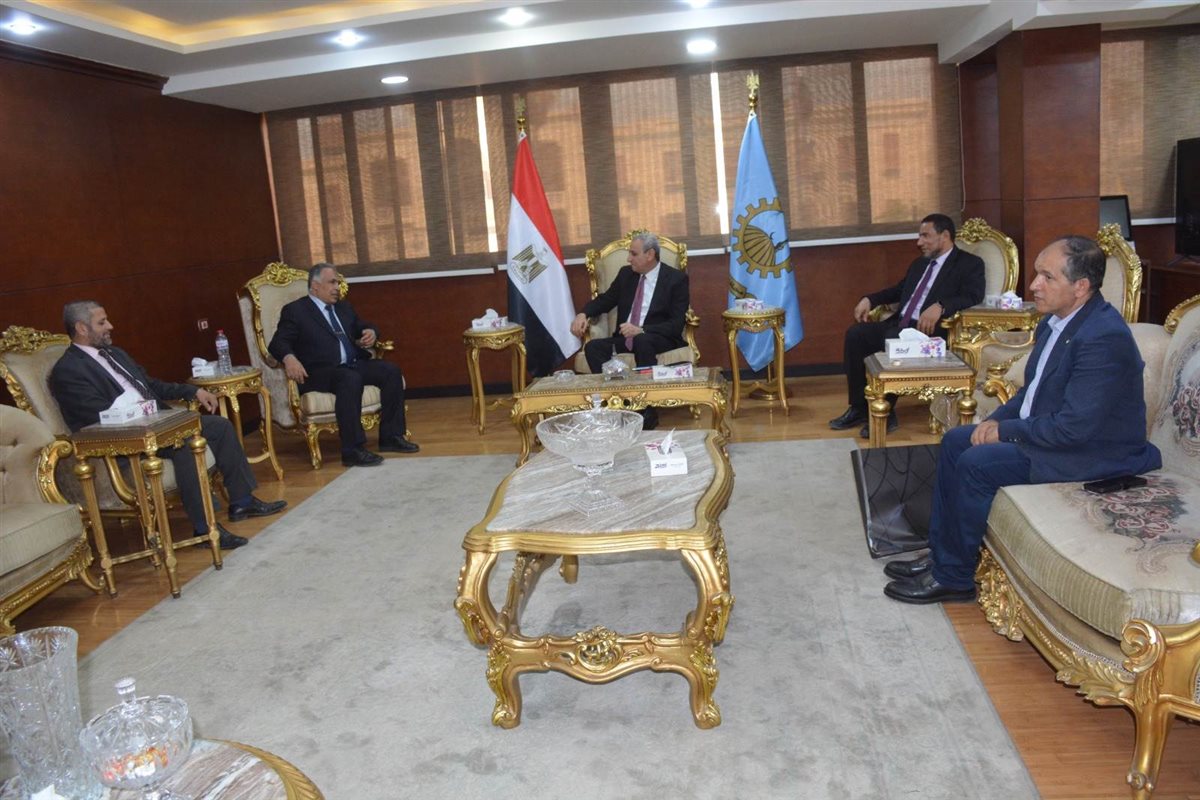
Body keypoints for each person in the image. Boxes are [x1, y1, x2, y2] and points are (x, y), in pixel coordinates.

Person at [883, 236, 1162, 604]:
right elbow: (1033, 393)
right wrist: (995, 421)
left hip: (1095, 451)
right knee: (955, 441)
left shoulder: (1103, 338)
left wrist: (1005, 431)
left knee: (977, 463)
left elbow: (1074, 428)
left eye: (1047, 277)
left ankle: (955, 577)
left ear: (1080, 287)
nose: (1033, 285)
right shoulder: (1055, 322)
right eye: (1036, 274)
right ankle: (942, 554)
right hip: (1060, 434)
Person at [49, 302, 287, 550]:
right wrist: (145, 417)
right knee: (185, 443)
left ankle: (242, 502)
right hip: (127, 440)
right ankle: (205, 529)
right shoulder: (68, 370)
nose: (110, 326)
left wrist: (192, 392)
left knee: (220, 427)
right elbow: (96, 415)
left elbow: (150, 385)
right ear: (81, 328)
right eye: (102, 322)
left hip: (160, 423)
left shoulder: (115, 354)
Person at [829, 214, 985, 438]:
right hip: (899, 323)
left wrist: (941, 305)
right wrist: (870, 299)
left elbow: (973, 295)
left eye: (925, 236)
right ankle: (859, 408)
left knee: (892, 339)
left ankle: (886, 412)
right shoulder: (920, 263)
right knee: (856, 334)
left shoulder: (969, 263)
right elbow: (899, 290)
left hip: (927, 332)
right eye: (919, 236)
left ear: (944, 236)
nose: (919, 242)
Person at [269, 263, 417, 467]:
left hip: (352, 364)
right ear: (315, 286)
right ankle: (352, 450)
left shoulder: (343, 307)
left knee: (390, 370)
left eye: (337, 283)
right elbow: (278, 343)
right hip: (319, 371)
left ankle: (391, 437)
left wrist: (371, 332)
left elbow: (361, 326)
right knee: (350, 379)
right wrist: (289, 358)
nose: (337, 287)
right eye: (332, 282)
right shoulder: (296, 311)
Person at [569, 232, 689, 430]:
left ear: (649, 254)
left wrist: (642, 329)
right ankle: (616, 401)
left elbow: (676, 324)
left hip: (659, 337)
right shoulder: (626, 274)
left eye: (633, 254)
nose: (628, 259)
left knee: (642, 340)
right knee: (593, 348)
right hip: (626, 338)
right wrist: (583, 313)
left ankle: (645, 408)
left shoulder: (676, 279)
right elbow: (606, 300)